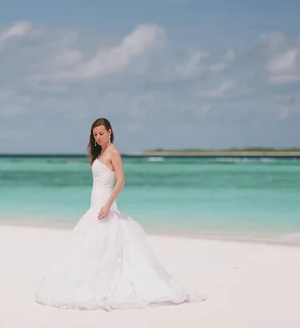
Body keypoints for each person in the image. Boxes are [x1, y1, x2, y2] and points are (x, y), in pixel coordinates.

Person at [35, 117, 204, 311]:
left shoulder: (113, 152)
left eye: (101, 133)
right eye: (95, 134)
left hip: (105, 205)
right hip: (94, 205)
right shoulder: (99, 153)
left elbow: (121, 181)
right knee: (88, 245)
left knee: (105, 243)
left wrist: (108, 204)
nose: (98, 137)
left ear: (110, 131)